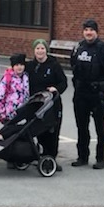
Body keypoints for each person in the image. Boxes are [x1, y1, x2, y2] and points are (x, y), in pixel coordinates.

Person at [70, 19, 104, 169]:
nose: (88, 33)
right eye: (86, 30)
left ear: (96, 32)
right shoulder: (78, 47)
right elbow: (73, 66)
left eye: (91, 30)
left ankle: (101, 158)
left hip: (98, 95)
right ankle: (82, 157)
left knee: (100, 128)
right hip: (81, 94)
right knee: (81, 127)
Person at [25, 38, 68, 166]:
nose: (40, 51)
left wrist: (56, 89)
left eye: (42, 48)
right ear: (34, 51)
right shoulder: (30, 66)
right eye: (37, 48)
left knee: (53, 131)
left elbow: (63, 82)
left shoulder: (54, 65)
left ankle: (51, 157)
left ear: (46, 50)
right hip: (36, 104)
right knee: (38, 129)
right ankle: (42, 155)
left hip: (52, 104)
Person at [0, 53, 30, 124]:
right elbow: (0, 95)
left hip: (22, 113)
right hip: (9, 113)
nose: (19, 67)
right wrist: (0, 112)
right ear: (12, 66)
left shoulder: (26, 77)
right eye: (17, 65)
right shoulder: (8, 78)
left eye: (21, 65)